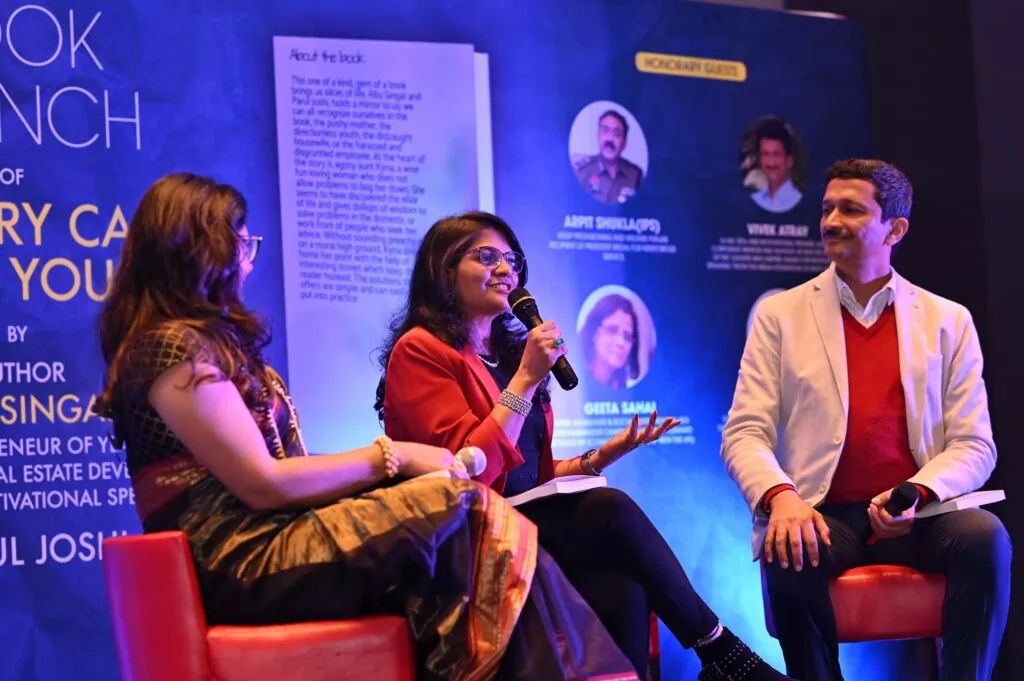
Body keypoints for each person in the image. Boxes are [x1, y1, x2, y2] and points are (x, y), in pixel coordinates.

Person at [95, 172, 646, 681]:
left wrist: (397, 472)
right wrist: (393, 458)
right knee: (456, 504)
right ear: (197, 246)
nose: (247, 256)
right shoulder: (168, 348)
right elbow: (262, 483)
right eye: (239, 240)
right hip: (241, 557)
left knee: (473, 525)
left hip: (274, 535)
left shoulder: (203, 346)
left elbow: (286, 473)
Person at [376, 210, 794, 681]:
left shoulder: (506, 356)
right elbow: (467, 469)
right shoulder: (421, 350)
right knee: (609, 510)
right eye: (486, 257)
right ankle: (721, 651)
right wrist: (526, 380)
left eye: (512, 260)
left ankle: (707, 659)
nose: (505, 269)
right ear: (444, 269)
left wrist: (599, 457)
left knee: (622, 582)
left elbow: (527, 477)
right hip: (462, 539)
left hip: (516, 527)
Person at [722, 159, 1011, 681]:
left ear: (894, 230)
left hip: (919, 514)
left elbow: (975, 444)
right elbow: (744, 432)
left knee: (984, 537)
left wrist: (915, 493)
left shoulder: (948, 320)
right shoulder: (780, 316)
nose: (831, 221)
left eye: (851, 210)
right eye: (827, 208)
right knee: (787, 548)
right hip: (824, 514)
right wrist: (781, 498)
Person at [574, 110, 643, 204]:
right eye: (605, 131)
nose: (609, 139)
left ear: (624, 143)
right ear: (598, 135)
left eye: (617, 134)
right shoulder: (583, 173)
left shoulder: (635, 175)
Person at [580, 293, 643, 389]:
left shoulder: (622, 388)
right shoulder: (578, 377)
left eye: (627, 337)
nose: (620, 342)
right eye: (612, 330)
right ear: (594, 332)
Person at [748, 119, 802, 214]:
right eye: (765, 154)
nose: (771, 162)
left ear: (789, 160)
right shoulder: (753, 202)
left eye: (776, 154)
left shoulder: (804, 204)